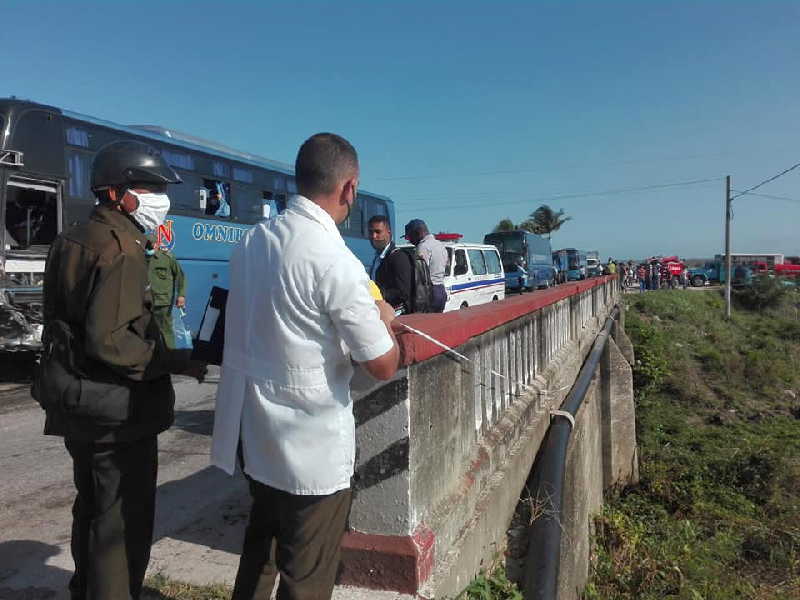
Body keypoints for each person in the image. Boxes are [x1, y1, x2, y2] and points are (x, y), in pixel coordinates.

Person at [211, 133, 400, 600]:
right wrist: (386, 320)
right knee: (307, 574)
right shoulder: (334, 259)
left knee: (261, 553)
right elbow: (382, 364)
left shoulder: (252, 242)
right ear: (349, 189)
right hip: (310, 451)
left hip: (256, 436)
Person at [35, 140, 202, 600]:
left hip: (76, 400)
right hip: (117, 411)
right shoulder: (124, 249)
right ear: (115, 193)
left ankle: (86, 588)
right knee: (121, 520)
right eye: (147, 187)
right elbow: (112, 341)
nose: (157, 198)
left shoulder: (71, 238)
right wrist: (174, 361)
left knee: (91, 506)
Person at [368, 215, 414, 313]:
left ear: (389, 233)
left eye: (378, 232)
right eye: (370, 232)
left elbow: (403, 292)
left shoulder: (398, 257)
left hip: (396, 315)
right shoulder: (378, 258)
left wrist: (377, 294)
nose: (373, 236)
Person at [147, 241, 187, 349]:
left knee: (166, 331)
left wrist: (181, 295)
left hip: (162, 302)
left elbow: (180, 277)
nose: (151, 247)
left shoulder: (168, 258)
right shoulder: (142, 257)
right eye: (148, 245)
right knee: (148, 333)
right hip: (145, 302)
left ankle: (171, 358)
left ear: (157, 245)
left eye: (152, 245)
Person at [404, 219, 448, 312]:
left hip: (429, 292)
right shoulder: (440, 245)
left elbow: (420, 274)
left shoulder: (423, 247)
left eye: (410, 237)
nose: (410, 241)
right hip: (441, 290)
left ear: (418, 233)